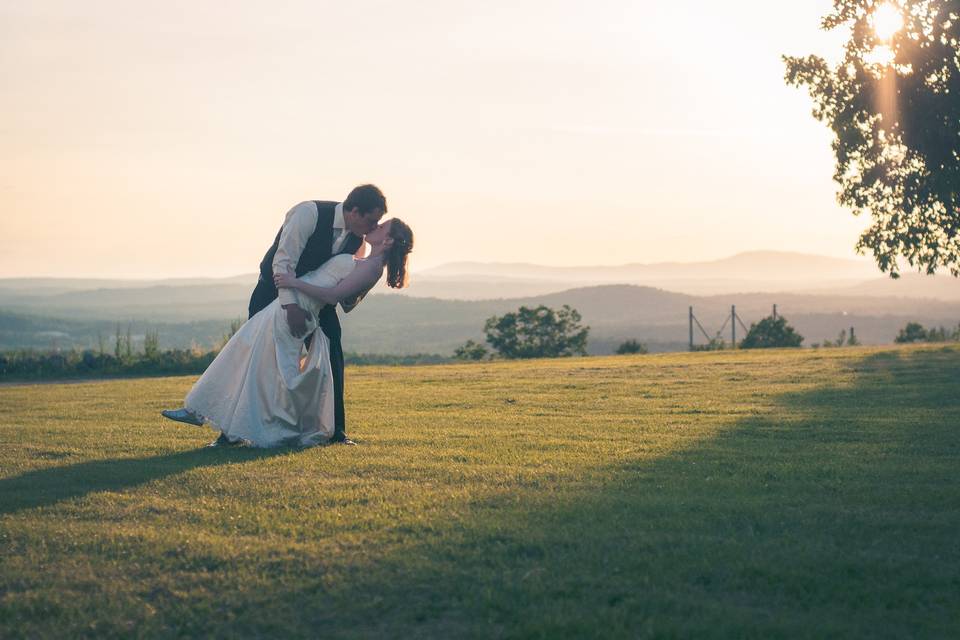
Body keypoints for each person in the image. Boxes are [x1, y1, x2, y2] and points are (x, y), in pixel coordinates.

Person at [163, 185, 387, 446]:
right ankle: (230, 434)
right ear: (355, 211)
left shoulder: (357, 240)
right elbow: (282, 262)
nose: (374, 226)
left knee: (332, 353)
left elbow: (344, 285)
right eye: (371, 220)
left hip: (316, 303)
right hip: (271, 290)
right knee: (253, 359)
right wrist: (290, 306)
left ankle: (335, 431)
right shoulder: (309, 213)